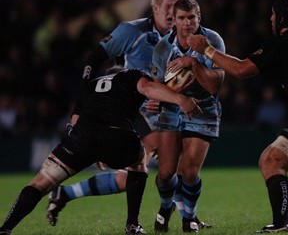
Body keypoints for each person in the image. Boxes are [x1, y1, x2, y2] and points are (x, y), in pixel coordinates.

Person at [45, 0, 211, 233]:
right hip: (136, 110)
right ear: (155, 9)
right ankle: (183, 218)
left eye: (175, 8)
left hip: (163, 109)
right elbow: (94, 58)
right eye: (166, 6)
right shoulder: (132, 31)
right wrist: (80, 107)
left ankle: (65, 193)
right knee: (170, 166)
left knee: (134, 176)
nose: (171, 12)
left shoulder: (183, 40)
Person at [188, 0, 288, 233]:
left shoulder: (283, 42)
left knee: (272, 162)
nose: (270, 19)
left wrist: (206, 49)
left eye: (273, 14)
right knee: (268, 159)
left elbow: (240, 70)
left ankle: (282, 225)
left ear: (280, 18)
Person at [0, 58, 201, 235]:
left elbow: (76, 119)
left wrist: (93, 151)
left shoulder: (90, 86)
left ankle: (6, 227)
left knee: (39, 184)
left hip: (81, 137)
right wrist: (180, 98)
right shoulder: (132, 76)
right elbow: (148, 88)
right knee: (139, 160)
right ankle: (132, 224)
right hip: (116, 134)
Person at [152, 0, 225, 233]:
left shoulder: (212, 40)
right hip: (172, 109)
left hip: (203, 108)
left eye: (191, 17)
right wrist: (172, 96)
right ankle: (165, 208)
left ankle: (189, 218)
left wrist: (193, 63)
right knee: (165, 173)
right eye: (182, 18)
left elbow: (215, 85)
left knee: (190, 170)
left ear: (199, 17)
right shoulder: (163, 47)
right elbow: (157, 85)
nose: (187, 23)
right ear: (174, 20)